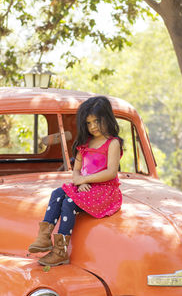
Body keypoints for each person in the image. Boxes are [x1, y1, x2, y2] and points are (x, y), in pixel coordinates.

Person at [28, 96, 123, 266]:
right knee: (57, 193)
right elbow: (76, 170)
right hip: (85, 185)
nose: (93, 126)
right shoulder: (85, 143)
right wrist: (79, 180)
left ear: (107, 118)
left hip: (105, 190)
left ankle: (60, 251)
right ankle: (43, 238)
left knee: (69, 203)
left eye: (97, 121)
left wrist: (84, 180)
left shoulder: (112, 143)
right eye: (88, 123)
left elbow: (111, 172)